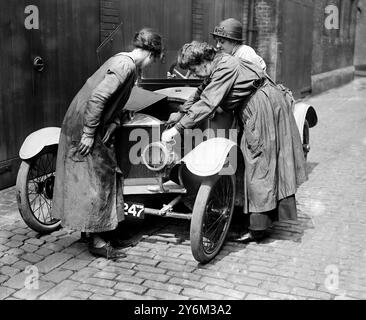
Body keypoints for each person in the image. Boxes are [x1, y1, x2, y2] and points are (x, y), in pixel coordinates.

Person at [162, 41, 307, 242]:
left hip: (261, 108)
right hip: (264, 103)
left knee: (259, 163)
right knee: (261, 162)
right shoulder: (219, 63)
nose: (194, 75)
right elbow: (200, 92)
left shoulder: (224, 67)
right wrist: (180, 113)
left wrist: (177, 130)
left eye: (194, 70)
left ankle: (258, 229)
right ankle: (261, 217)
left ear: (203, 61)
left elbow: (207, 102)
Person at [52, 28, 164, 259]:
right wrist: (89, 133)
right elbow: (99, 97)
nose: (151, 65)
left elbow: (111, 100)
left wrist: (113, 121)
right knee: (99, 180)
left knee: (95, 178)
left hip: (85, 121)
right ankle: (98, 242)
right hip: (84, 124)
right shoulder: (127, 66)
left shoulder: (121, 60)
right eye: (154, 60)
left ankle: (101, 232)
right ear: (151, 54)